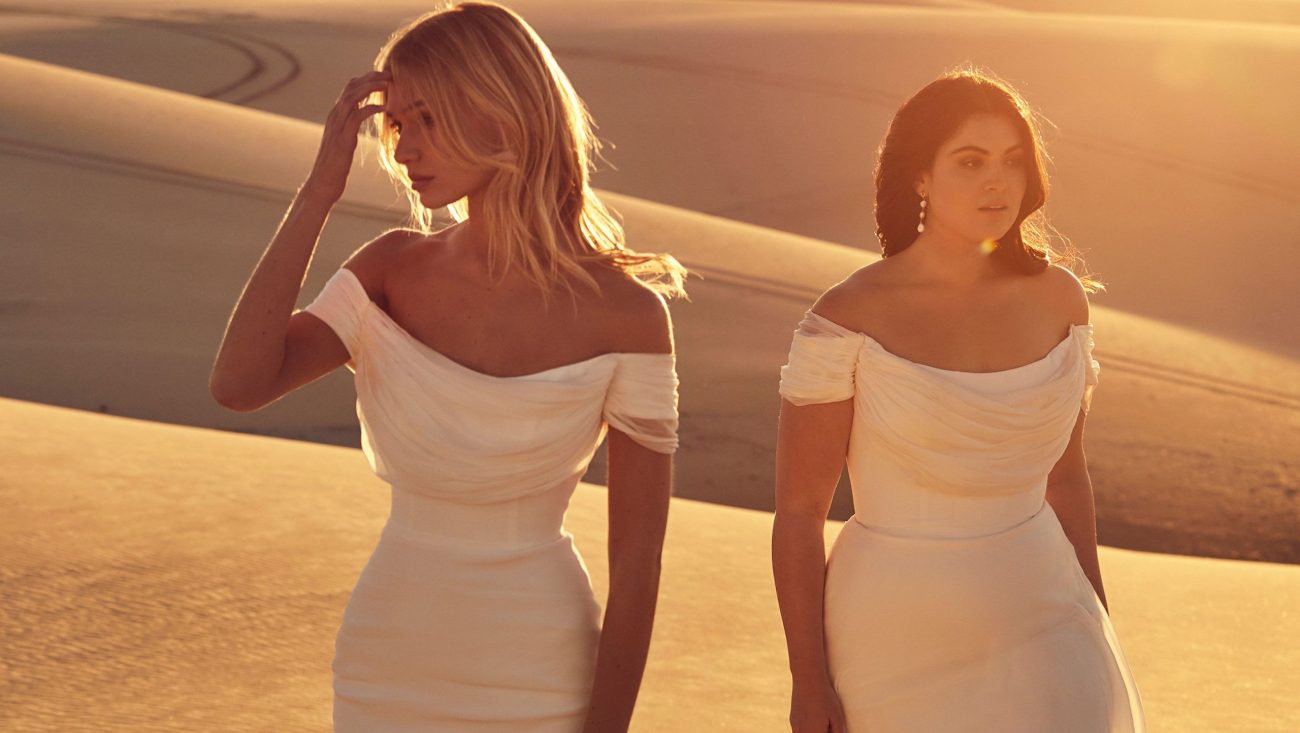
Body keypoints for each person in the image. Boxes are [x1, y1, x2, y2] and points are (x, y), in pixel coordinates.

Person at [209, 3, 685, 731]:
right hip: (387, 657)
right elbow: (239, 384)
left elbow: (639, 564)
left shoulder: (629, 316)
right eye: (397, 125)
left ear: (501, 111)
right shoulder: (388, 272)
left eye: (428, 119)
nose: (403, 151)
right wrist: (317, 195)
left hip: (539, 665)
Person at [771, 68, 1145, 732]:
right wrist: (808, 680)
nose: (997, 181)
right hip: (891, 639)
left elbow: (1067, 478)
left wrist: (1098, 617)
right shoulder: (847, 318)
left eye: (1012, 161)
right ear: (920, 176)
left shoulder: (1061, 299)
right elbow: (800, 513)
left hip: (1049, 619)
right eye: (970, 162)